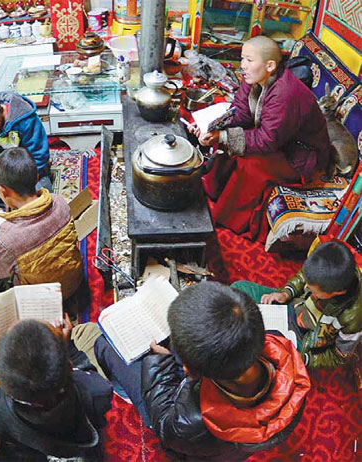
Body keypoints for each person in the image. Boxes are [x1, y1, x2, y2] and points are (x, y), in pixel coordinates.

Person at [95, 281, 311, 460]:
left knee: (103, 347)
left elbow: (163, 424)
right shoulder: (290, 365)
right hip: (233, 449)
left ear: (190, 371)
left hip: (195, 440)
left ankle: (124, 391)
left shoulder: (187, 421)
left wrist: (160, 362)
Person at [188, 36, 330, 242]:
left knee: (248, 163)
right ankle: (213, 191)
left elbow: (266, 140)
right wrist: (209, 126)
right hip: (278, 139)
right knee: (229, 145)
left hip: (299, 154)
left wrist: (224, 136)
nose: (242, 66)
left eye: (249, 60)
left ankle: (230, 220)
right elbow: (241, 112)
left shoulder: (285, 93)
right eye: (242, 59)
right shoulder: (254, 79)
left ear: (270, 65)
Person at [0, 318, 113, 461]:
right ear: (70, 365)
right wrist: (70, 348)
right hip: (77, 434)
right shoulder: (97, 391)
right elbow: (90, 376)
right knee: (90, 332)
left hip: (27, 440)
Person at [0, 147, 83, 301]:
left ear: (2, 191)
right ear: (37, 178)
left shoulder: (9, 238)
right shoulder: (59, 201)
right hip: (74, 281)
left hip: (44, 299)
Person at [232, 241, 361, 369]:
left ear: (337, 292)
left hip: (305, 339)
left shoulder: (354, 318)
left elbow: (338, 356)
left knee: (265, 355)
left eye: (315, 292)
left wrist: (303, 358)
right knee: (238, 289)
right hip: (290, 305)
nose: (311, 292)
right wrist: (286, 293)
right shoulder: (327, 264)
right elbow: (304, 276)